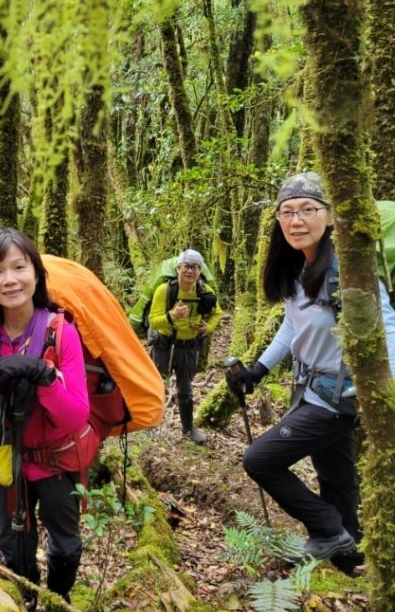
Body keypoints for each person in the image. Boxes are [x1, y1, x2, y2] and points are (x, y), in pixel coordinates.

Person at [227, 173, 395, 563]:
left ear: (331, 217)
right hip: (313, 388)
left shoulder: (346, 270)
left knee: (260, 459)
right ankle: (348, 555)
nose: (296, 220)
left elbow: (386, 323)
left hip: (342, 395)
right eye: (287, 212)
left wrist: (387, 388)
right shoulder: (302, 271)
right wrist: (258, 370)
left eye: (307, 210)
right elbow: (292, 325)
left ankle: (327, 529)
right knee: (337, 479)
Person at [0, 228, 90, 612]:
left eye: (19, 267)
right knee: (14, 545)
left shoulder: (59, 331)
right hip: (7, 458)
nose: (9, 280)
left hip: (55, 460)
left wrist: (43, 377)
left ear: (36, 274)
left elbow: (76, 415)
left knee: (65, 546)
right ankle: (26, 609)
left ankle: (58, 602)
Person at [147, 249, 221, 444]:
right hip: (164, 345)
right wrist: (173, 316)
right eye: (187, 266)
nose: (191, 271)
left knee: (186, 389)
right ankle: (149, 426)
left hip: (189, 347)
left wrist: (207, 327)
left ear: (200, 270)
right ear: (178, 268)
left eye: (195, 267)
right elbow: (153, 321)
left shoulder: (205, 291)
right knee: (156, 385)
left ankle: (188, 429)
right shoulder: (165, 290)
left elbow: (216, 313)